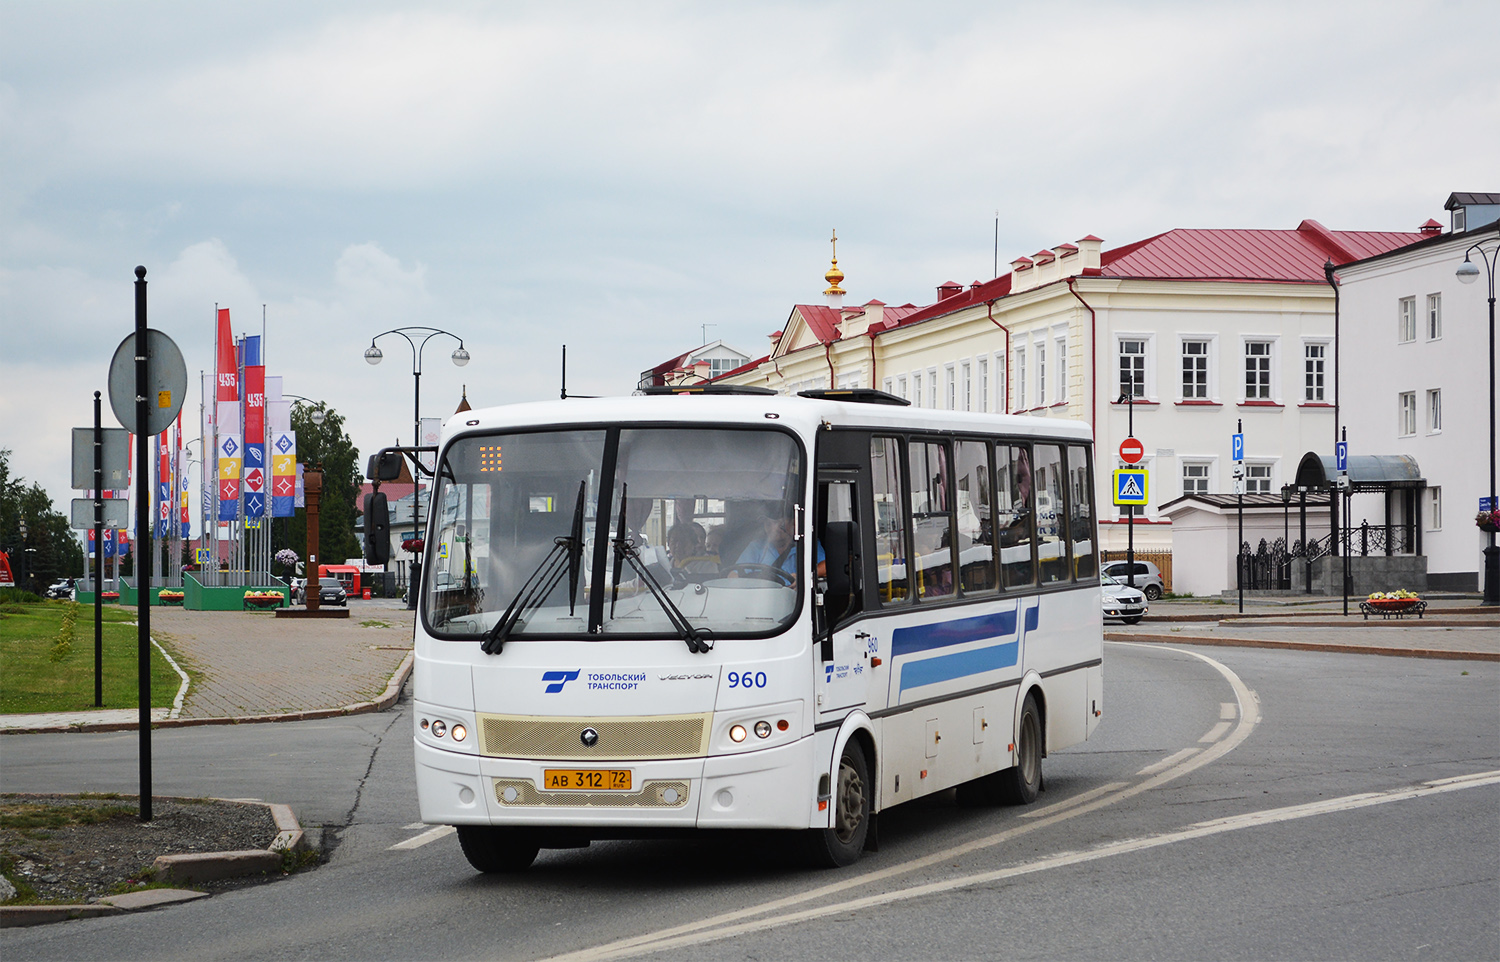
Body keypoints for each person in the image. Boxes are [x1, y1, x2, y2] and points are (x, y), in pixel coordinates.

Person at [734, 504, 823, 581]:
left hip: (796, 599)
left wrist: (804, 577)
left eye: (779, 523)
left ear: (793, 524)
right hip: (760, 597)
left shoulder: (806, 544)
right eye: (768, 524)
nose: (773, 528)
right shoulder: (757, 547)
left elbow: (826, 566)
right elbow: (735, 572)